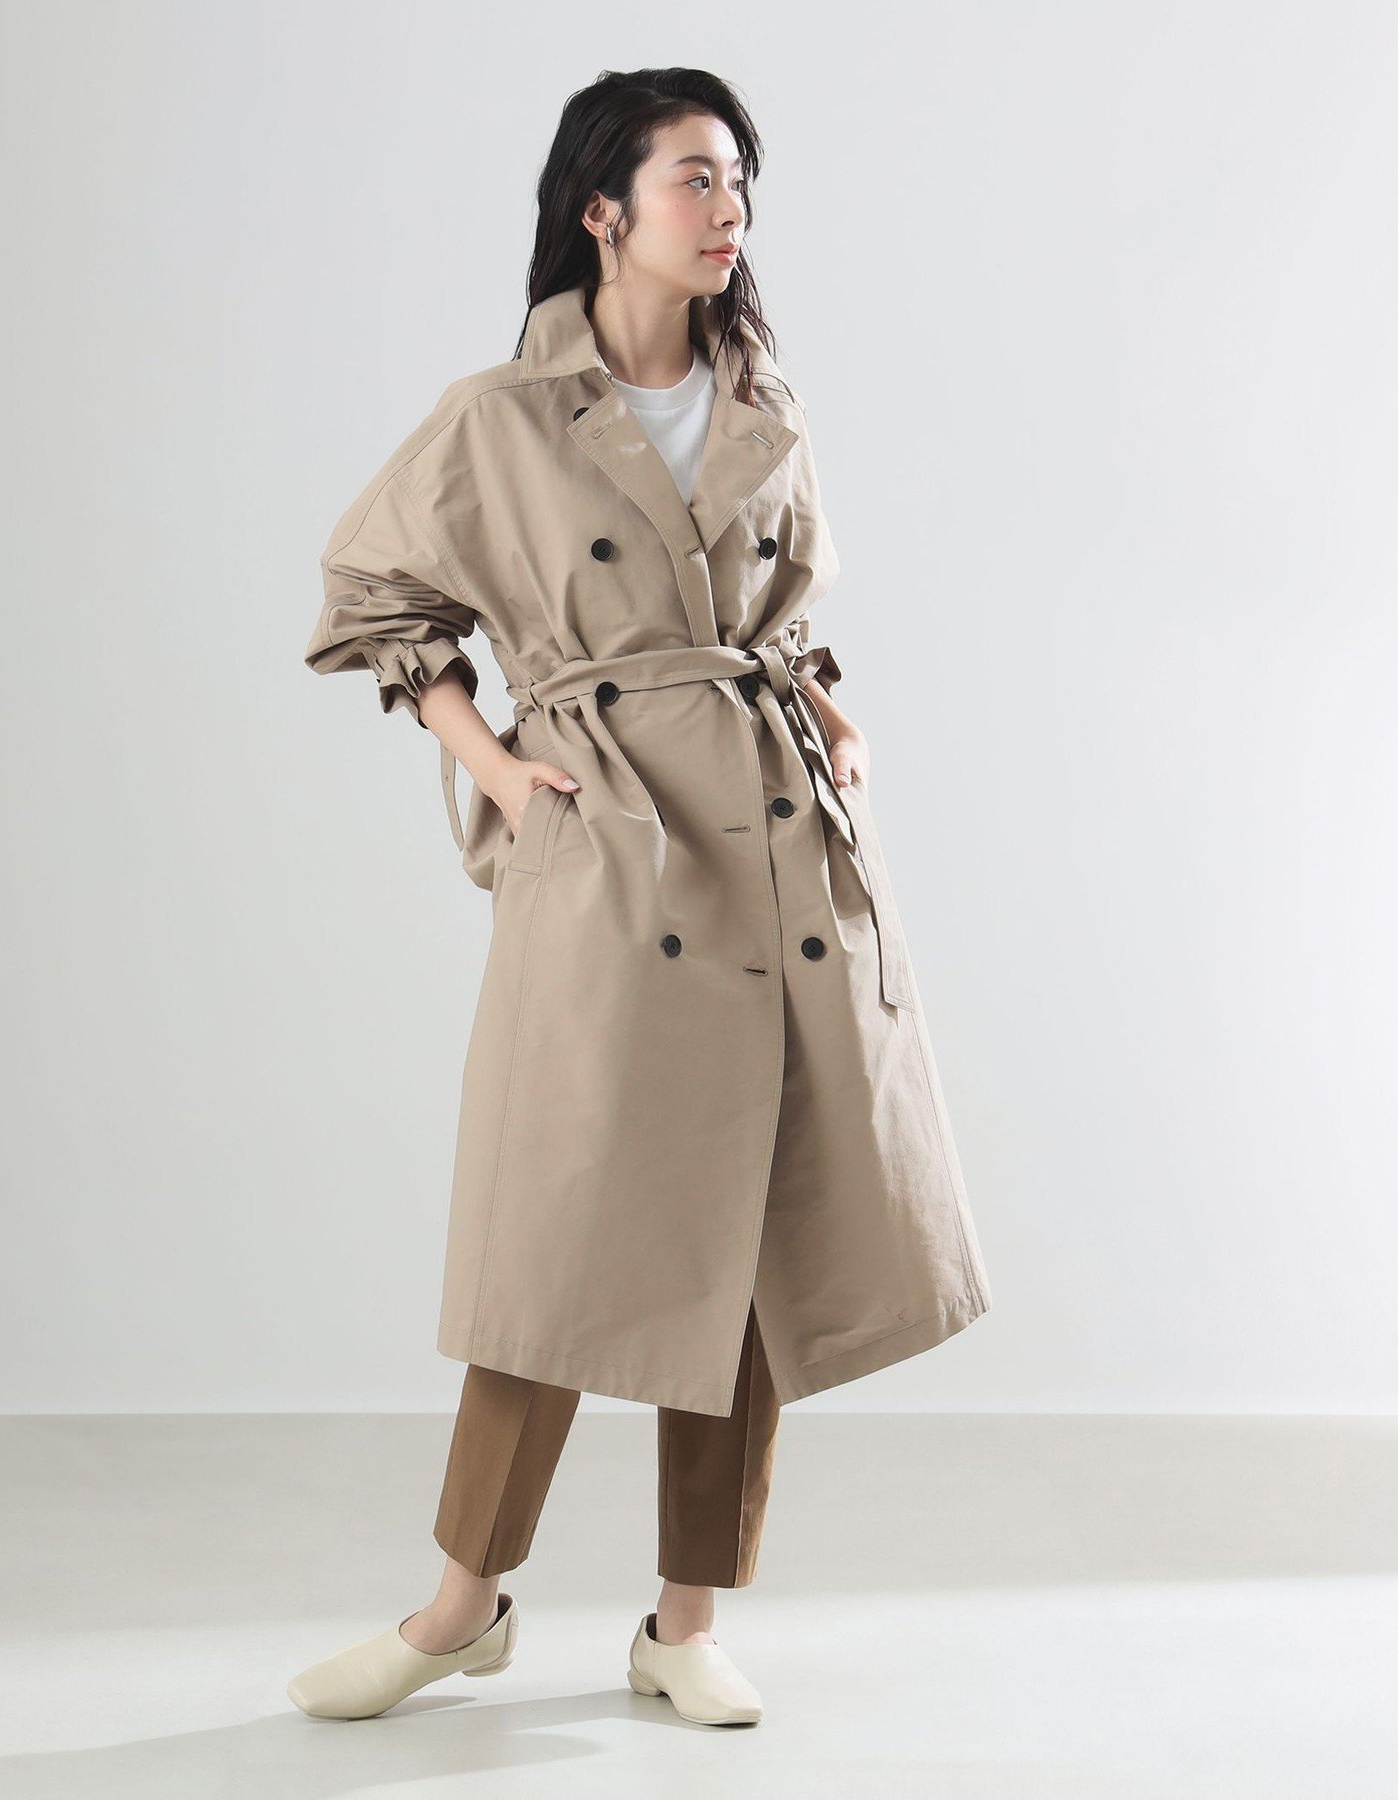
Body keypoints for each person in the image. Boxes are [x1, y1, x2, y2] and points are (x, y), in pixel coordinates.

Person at [288, 66, 992, 1730]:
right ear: (603, 209)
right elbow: (375, 596)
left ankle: (685, 1623)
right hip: (613, 839)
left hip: (772, 837)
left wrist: (830, 708)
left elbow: (785, 614)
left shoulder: (764, 403)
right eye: (694, 177)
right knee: (556, 1230)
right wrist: (493, 758)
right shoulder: (502, 418)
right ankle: (460, 1607)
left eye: (738, 179)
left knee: (748, 1234)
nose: (727, 207)